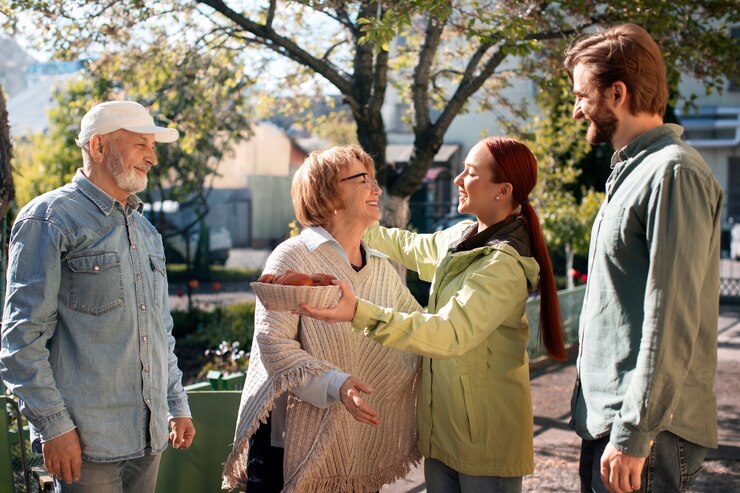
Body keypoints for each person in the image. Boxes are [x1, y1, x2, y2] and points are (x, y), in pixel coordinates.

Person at [300, 136, 566, 493]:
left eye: (470, 173)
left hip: (485, 440)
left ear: (502, 190)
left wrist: (359, 313)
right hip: (444, 434)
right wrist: (356, 217)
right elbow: (409, 246)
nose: (457, 179)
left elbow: (448, 334)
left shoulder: (503, 265)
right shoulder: (464, 236)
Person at [0, 101, 196, 493]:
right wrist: (54, 427)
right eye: (141, 144)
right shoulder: (48, 219)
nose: (152, 158)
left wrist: (176, 404)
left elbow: (160, 331)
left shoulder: (146, 232)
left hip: (149, 439)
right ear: (99, 147)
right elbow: (20, 341)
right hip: (85, 447)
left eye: (152, 147)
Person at [563, 23, 722, 493]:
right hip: (615, 426)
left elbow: (671, 316)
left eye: (581, 95)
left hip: (643, 433)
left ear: (616, 93)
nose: (575, 111)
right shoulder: (635, 172)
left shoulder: (672, 172)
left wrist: (634, 432)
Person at [221, 144, 422, 492]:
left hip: (357, 446)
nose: (377, 189)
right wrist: (337, 384)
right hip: (287, 448)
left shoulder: (379, 266)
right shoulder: (292, 256)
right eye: (363, 179)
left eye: (375, 180)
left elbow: (416, 332)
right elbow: (275, 346)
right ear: (328, 194)